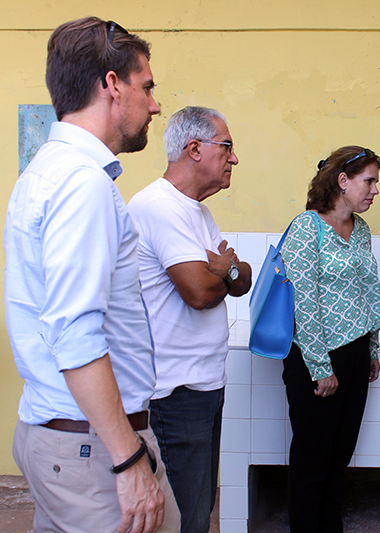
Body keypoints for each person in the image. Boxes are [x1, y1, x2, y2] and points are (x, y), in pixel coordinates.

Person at [4, 17, 180, 533]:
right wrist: (129, 461)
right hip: (95, 451)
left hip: (66, 440)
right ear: (111, 84)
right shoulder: (82, 185)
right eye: (146, 87)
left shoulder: (45, 170)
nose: (153, 104)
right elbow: (76, 335)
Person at [128, 106, 253, 533]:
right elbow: (200, 293)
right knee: (186, 518)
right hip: (174, 391)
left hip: (202, 383)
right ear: (194, 149)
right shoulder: (160, 207)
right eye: (228, 147)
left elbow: (241, 279)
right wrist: (223, 270)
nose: (234, 158)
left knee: (198, 511)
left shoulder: (195, 210)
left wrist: (226, 270)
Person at [280, 146, 380, 533]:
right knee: (312, 459)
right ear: (343, 181)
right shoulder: (308, 227)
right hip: (315, 357)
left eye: (376, 182)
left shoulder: (361, 231)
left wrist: (371, 348)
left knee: (340, 455)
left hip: (355, 354)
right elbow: (303, 301)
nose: (375, 190)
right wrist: (321, 367)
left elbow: (367, 291)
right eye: (369, 181)